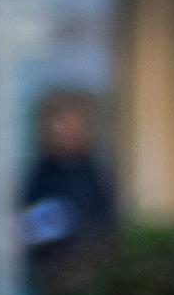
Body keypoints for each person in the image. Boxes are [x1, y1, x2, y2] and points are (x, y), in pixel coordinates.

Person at [16, 88, 116, 274]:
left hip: (90, 266)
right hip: (50, 267)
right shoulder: (43, 171)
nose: (67, 130)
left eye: (73, 123)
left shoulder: (93, 170)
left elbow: (105, 216)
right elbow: (28, 217)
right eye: (62, 123)